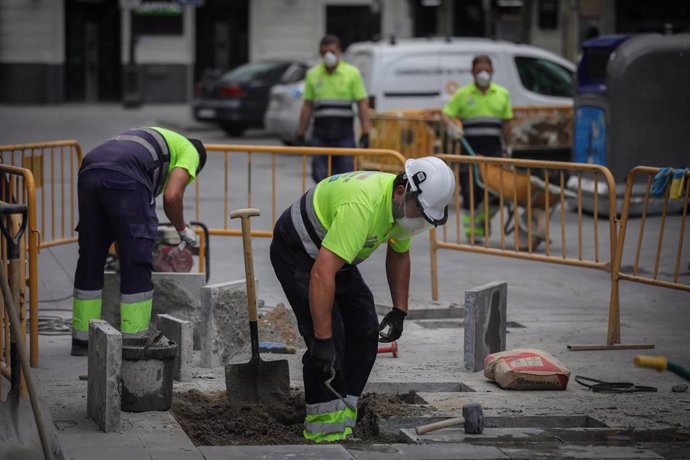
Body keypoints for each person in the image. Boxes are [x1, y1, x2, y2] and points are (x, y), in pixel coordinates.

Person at [270, 157, 455, 442]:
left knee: (365, 329)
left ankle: (345, 415)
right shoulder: (363, 207)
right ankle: (323, 433)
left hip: (335, 254)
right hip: (298, 253)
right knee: (332, 341)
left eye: (425, 219)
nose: (418, 222)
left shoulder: (400, 208)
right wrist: (322, 340)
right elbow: (321, 273)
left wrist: (399, 311)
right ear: (400, 191)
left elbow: (399, 253)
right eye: (419, 212)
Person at [70, 127, 207, 356]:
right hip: (126, 176)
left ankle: (83, 340)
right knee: (137, 259)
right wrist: (183, 229)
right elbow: (172, 196)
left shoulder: (155, 138)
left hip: (90, 169)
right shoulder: (191, 151)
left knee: (91, 256)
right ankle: (134, 341)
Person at [441, 55, 513, 241]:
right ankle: (473, 232)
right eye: (479, 69)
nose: (483, 73)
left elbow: (507, 123)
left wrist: (510, 145)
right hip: (469, 151)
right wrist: (452, 127)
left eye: (487, 70)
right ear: (472, 72)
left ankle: (481, 221)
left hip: (494, 151)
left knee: (497, 193)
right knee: (470, 191)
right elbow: (446, 114)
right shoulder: (463, 94)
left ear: (492, 71)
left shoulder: (502, 94)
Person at [296, 34, 370, 183]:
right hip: (320, 134)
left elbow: (362, 104)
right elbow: (307, 106)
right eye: (324, 53)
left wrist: (366, 132)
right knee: (320, 175)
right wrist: (301, 132)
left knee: (346, 175)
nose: (328, 56)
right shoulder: (313, 74)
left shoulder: (352, 73)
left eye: (332, 52)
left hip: (344, 134)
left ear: (339, 52)